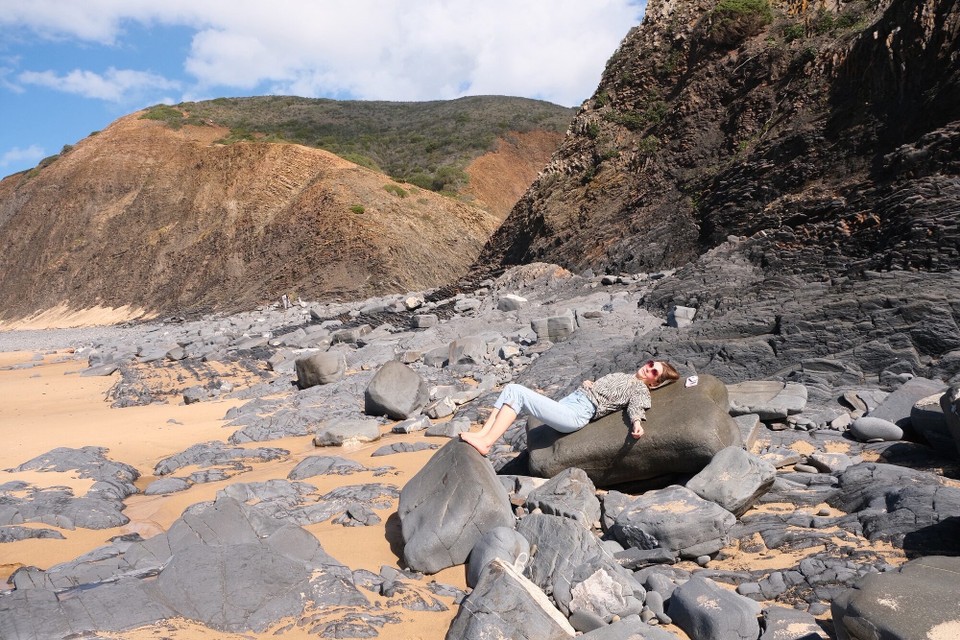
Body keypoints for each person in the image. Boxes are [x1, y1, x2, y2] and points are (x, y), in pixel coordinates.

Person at [459, 360, 680, 456]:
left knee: (517, 391)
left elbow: (637, 406)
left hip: (577, 414)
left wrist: (637, 423)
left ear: (654, 383)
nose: (648, 368)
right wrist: (589, 385)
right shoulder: (625, 376)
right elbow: (608, 391)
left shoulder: (640, 389)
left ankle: (487, 443)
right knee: (510, 389)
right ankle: (483, 434)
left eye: (654, 372)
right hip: (573, 401)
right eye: (651, 364)